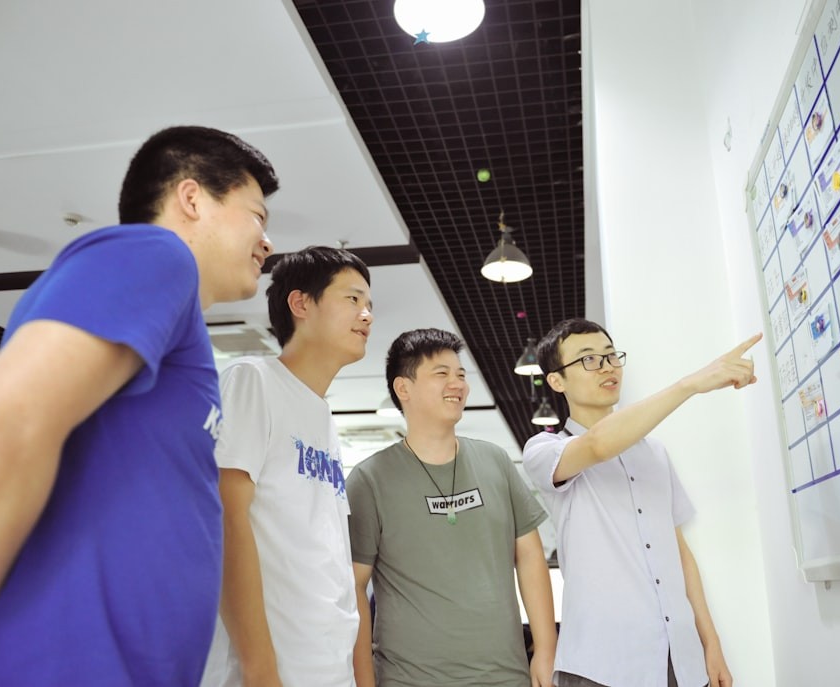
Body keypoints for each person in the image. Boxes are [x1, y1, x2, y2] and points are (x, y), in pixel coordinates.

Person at [0, 126, 279, 685]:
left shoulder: (180, 331)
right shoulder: (156, 253)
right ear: (192, 198)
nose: (267, 242)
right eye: (257, 216)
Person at [523, 319, 761, 687]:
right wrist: (690, 385)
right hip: (600, 665)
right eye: (588, 360)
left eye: (610, 356)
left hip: (680, 662)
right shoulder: (544, 451)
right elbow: (598, 445)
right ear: (556, 381)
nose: (606, 366)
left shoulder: (654, 451)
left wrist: (710, 644)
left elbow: (680, 554)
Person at [202, 246, 373, 687]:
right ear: (301, 304)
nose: (367, 314)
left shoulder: (322, 418)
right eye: (352, 299)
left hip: (327, 669)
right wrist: (261, 672)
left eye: (368, 304)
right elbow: (224, 518)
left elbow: (328, 556)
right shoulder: (252, 381)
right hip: (268, 672)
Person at [348, 328, 557, 687]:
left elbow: (530, 557)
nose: (457, 384)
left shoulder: (496, 461)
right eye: (441, 374)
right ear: (404, 389)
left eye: (461, 374)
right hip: (409, 679)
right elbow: (353, 588)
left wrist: (545, 649)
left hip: (505, 676)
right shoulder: (369, 480)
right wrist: (365, 681)